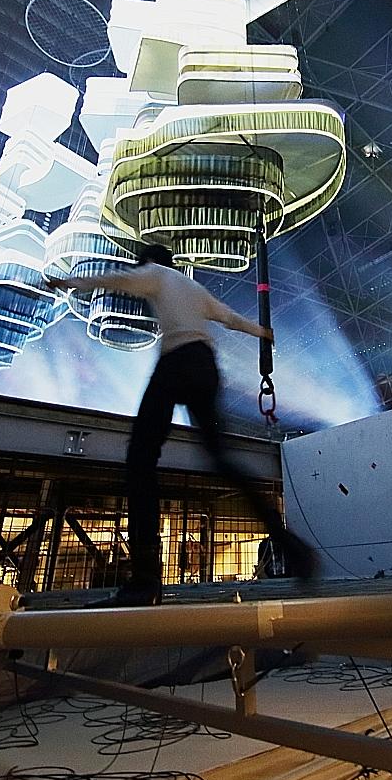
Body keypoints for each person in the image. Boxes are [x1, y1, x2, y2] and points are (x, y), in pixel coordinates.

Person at [48, 243, 317, 606]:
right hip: (206, 366)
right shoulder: (193, 287)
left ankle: (145, 581)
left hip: (175, 362)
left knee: (140, 462)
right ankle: (293, 547)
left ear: (148, 263)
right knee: (221, 460)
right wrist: (262, 333)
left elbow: (117, 280)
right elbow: (227, 317)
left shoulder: (154, 274)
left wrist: (68, 282)